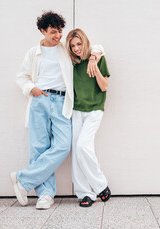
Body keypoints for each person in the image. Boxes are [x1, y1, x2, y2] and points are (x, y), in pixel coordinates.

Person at [12, 11, 103, 210]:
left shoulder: (65, 49)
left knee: (63, 146)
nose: (58, 36)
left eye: (60, 31)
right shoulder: (33, 52)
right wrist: (31, 89)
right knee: (39, 147)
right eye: (53, 32)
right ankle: (45, 195)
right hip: (40, 99)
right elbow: (22, 77)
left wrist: (95, 56)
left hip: (62, 102)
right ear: (43, 31)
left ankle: (22, 179)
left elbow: (94, 47)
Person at [66, 28, 111, 207]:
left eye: (79, 44)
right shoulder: (72, 62)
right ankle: (85, 193)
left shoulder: (98, 57)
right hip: (77, 110)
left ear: (84, 42)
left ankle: (101, 185)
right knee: (77, 152)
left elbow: (104, 86)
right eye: (73, 46)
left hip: (94, 110)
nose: (76, 48)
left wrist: (95, 65)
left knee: (83, 146)